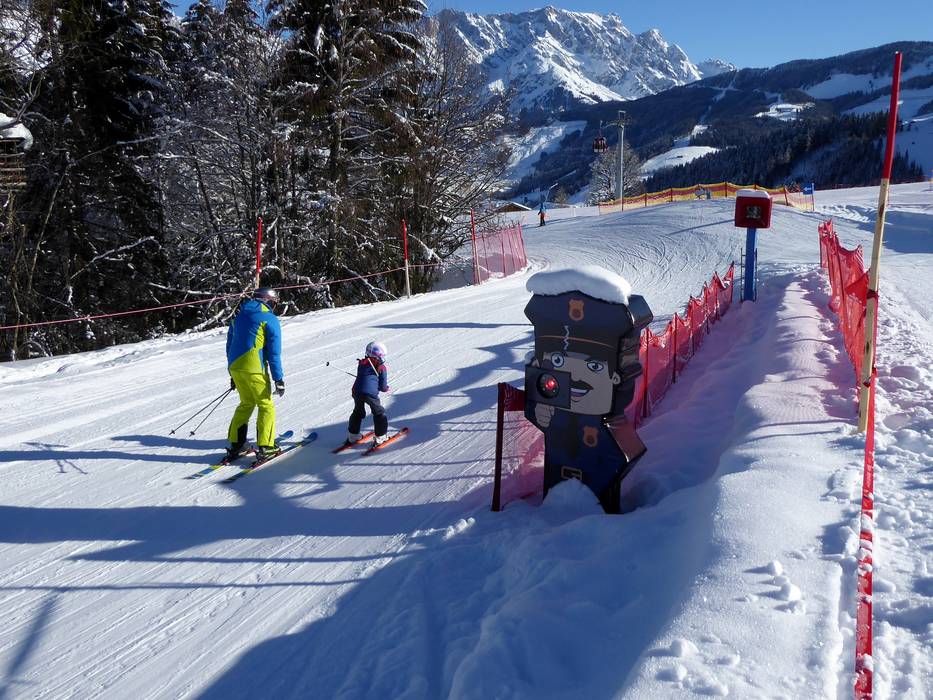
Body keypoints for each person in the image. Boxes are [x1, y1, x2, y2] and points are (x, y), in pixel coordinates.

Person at [225, 287, 285, 461]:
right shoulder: (269, 319)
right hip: (254, 368)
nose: (274, 306)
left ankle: (237, 444)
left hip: (235, 367)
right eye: (274, 302)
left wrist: (232, 374)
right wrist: (278, 379)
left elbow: (229, 346)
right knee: (265, 405)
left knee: (246, 403)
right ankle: (266, 446)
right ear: (268, 301)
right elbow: (274, 353)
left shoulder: (238, 317)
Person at [345, 341, 390, 447]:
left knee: (358, 412)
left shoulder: (362, 363)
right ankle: (381, 437)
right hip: (370, 394)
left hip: (356, 391)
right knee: (379, 413)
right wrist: (385, 388)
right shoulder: (381, 367)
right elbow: (383, 386)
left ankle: (353, 436)